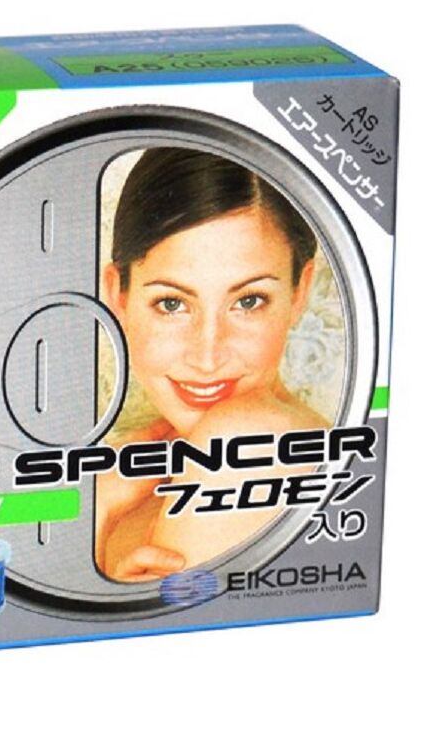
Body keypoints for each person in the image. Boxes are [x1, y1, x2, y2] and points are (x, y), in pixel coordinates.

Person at [95, 147, 331, 582]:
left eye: (249, 301)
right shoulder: (135, 469)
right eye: (171, 304)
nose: (207, 356)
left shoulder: (252, 446)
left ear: (299, 291)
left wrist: (95, 533)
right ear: (118, 295)